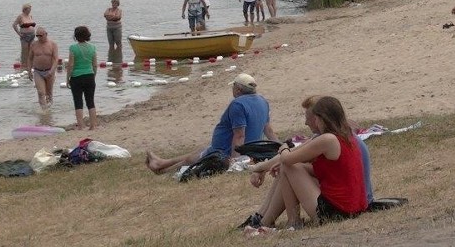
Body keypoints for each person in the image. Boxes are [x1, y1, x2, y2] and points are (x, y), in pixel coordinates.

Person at [240, 95, 375, 229]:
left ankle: (283, 222)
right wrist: (267, 166)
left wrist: (284, 148)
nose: (308, 123)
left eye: (313, 118)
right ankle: (268, 220)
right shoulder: (346, 136)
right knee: (292, 168)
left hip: (338, 212)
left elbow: (288, 158)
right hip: (354, 206)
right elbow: (329, 171)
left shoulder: (328, 139)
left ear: (321, 119)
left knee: (289, 167)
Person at [146, 73, 278, 174]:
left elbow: (239, 136)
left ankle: (161, 171)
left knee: (191, 160)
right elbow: (268, 131)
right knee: (199, 151)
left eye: (233, 86)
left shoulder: (238, 105)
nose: (232, 89)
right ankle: (162, 163)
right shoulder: (262, 101)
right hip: (247, 149)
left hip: (225, 151)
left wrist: (235, 161)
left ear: (238, 89)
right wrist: (279, 148)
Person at [66, 26, 98, 129]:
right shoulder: (92, 47)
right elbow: (95, 65)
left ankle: (81, 125)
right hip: (89, 76)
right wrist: (94, 75)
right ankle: (93, 125)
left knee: (78, 101)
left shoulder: (73, 48)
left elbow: (71, 65)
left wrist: (68, 78)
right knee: (90, 101)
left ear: (76, 36)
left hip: (76, 77)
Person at [27, 27, 59, 109]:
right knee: (41, 92)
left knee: (49, 94)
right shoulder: (34, 44)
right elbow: (30, 58)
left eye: (41, 35)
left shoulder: (53, 44)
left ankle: (49, 112)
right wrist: (29, 71)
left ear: (46, 34)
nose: (39, 37)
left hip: (49, 71)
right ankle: (44, 112)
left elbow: (56, 59)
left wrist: (52, 71)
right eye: (37, 36)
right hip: (38, 72)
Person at [12, 3, 36, 68]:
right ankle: (24, 66)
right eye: (29, 9)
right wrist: (19, 33)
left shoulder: (30, 16)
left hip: (32, 35)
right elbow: (14, 25)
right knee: (25, 52)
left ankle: (31, 65)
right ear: (25, 9)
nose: (30, 10)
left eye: (30, 9)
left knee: (32, 51)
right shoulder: (20, 16)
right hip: (24, 36)